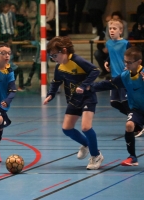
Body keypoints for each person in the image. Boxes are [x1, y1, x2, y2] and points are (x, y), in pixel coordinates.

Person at [43, 36, 103, 170]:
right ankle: (87, 144)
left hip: (87, 98)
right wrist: (50, 95)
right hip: (73, 100)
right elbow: (56, 82)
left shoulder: (77, 61)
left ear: (63, 50)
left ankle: (96, 155)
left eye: (54, 55)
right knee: (67, 129)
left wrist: (84, 85)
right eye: (51, 56)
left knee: (86, 127)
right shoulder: (59, 67)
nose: (53, 59)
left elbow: (95, 71)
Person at [89, 46, 144, 165]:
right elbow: (108, 84)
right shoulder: (125, 76)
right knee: (129, 125)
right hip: (137, 109)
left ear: (139, 62)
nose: (127, 65)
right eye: (125, 62)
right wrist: (90, 87)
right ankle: (132, 157)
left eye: (130, 62)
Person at [104, 19, 131, 117]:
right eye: (110, 28)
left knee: (125, 101)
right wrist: (107, 61)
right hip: (114, 77)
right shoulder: (109, 43)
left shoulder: (125, 43)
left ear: (120, 31)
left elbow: (131, 56)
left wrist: (129, 66)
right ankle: (133, 117)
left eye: (114, 29)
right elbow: (112, 55)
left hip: (124, 76)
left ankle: (135, 121)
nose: (111, 31)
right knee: (114, 102)